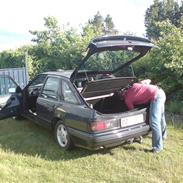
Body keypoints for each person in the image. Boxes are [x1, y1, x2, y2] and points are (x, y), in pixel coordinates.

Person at [122, 79, 167, 153]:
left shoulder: (127, 100)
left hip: (156, 97)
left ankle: (158, 147)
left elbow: (133, 112)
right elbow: (148, 80)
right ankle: (163, 135)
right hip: (161, 92)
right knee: (161, 117)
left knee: (154, 121)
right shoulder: (135, 85)